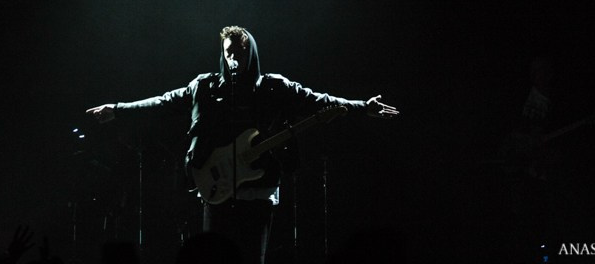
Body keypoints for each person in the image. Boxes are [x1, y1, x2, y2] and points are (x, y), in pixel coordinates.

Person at [86, 26, 399, 264]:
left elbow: (319, 100)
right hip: (216, 187)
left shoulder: (274, 87)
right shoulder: (204, 87)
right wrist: (118, 109)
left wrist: (363, 106)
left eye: (239, 53)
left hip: (258, 190)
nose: (234, 60)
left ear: (252, 54)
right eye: (229, 54)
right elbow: (163, 102)